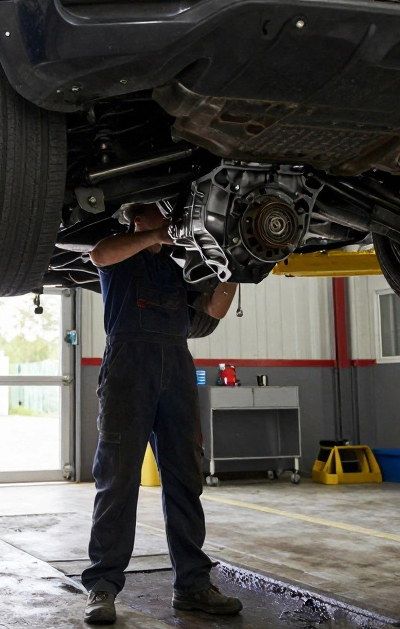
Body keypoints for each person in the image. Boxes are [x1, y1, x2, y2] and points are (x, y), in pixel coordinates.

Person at [81, 203, 242, 625]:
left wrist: (236, 268)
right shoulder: (120, 259)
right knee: (117, 478)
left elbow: (214, 309)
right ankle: (103, 585)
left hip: (177, 369)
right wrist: (155, 237)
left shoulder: (176, 270)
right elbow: (98, 254)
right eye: (160, 214)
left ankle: (192, 585)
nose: (170, 221)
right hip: (128, 369)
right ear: (138, 219)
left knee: (185, 480)